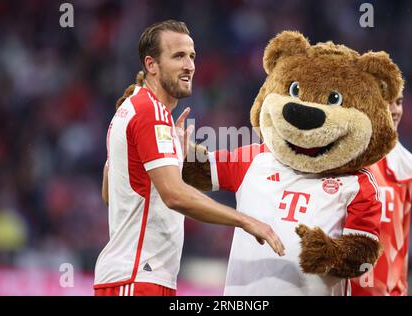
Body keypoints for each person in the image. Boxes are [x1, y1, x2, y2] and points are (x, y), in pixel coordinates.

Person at [93, 20, 285, 296]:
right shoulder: (151, 112)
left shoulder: (130, 109)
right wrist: (246, 221)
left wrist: (171, 157)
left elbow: (110, 193)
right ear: (151, 65)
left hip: (134, 276)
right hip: (138, 278)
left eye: (192, 56)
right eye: (178, 56)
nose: (189, 65)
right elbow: (174, 195)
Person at [350, 92, 412, 296]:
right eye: (386, 102)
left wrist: (399, 291)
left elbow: (400, 248)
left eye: (399, 102)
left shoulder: (403, 169)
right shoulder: (342, 163)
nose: (395, 110)